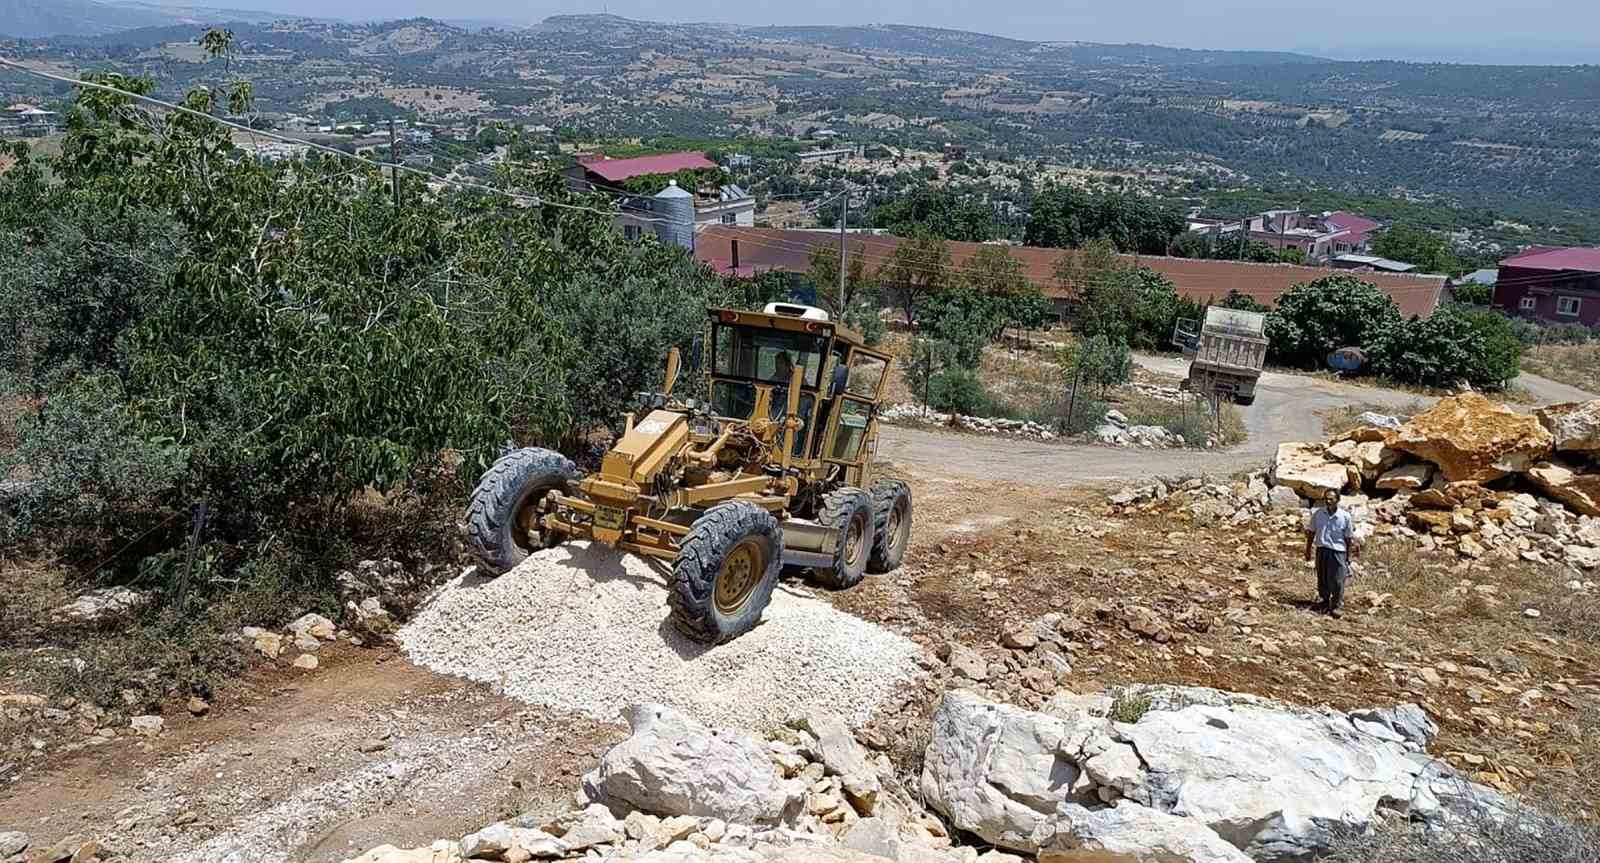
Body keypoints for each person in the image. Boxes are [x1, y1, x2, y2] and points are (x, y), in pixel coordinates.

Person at [1304, 489, 1357, 618]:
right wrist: (1308, 550)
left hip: (1338, 551)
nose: (1328, 501)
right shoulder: (1318, 514)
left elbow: (1348, 538)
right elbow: (1311, 532)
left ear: (1337, 500)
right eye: (1326, 499)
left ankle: (1336, 605)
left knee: (1338, 579)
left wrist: (1348, 556)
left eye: (1331, 499)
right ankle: (1324, 601)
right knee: (1323, 577)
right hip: (1322, 549)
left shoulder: (1345, 516)